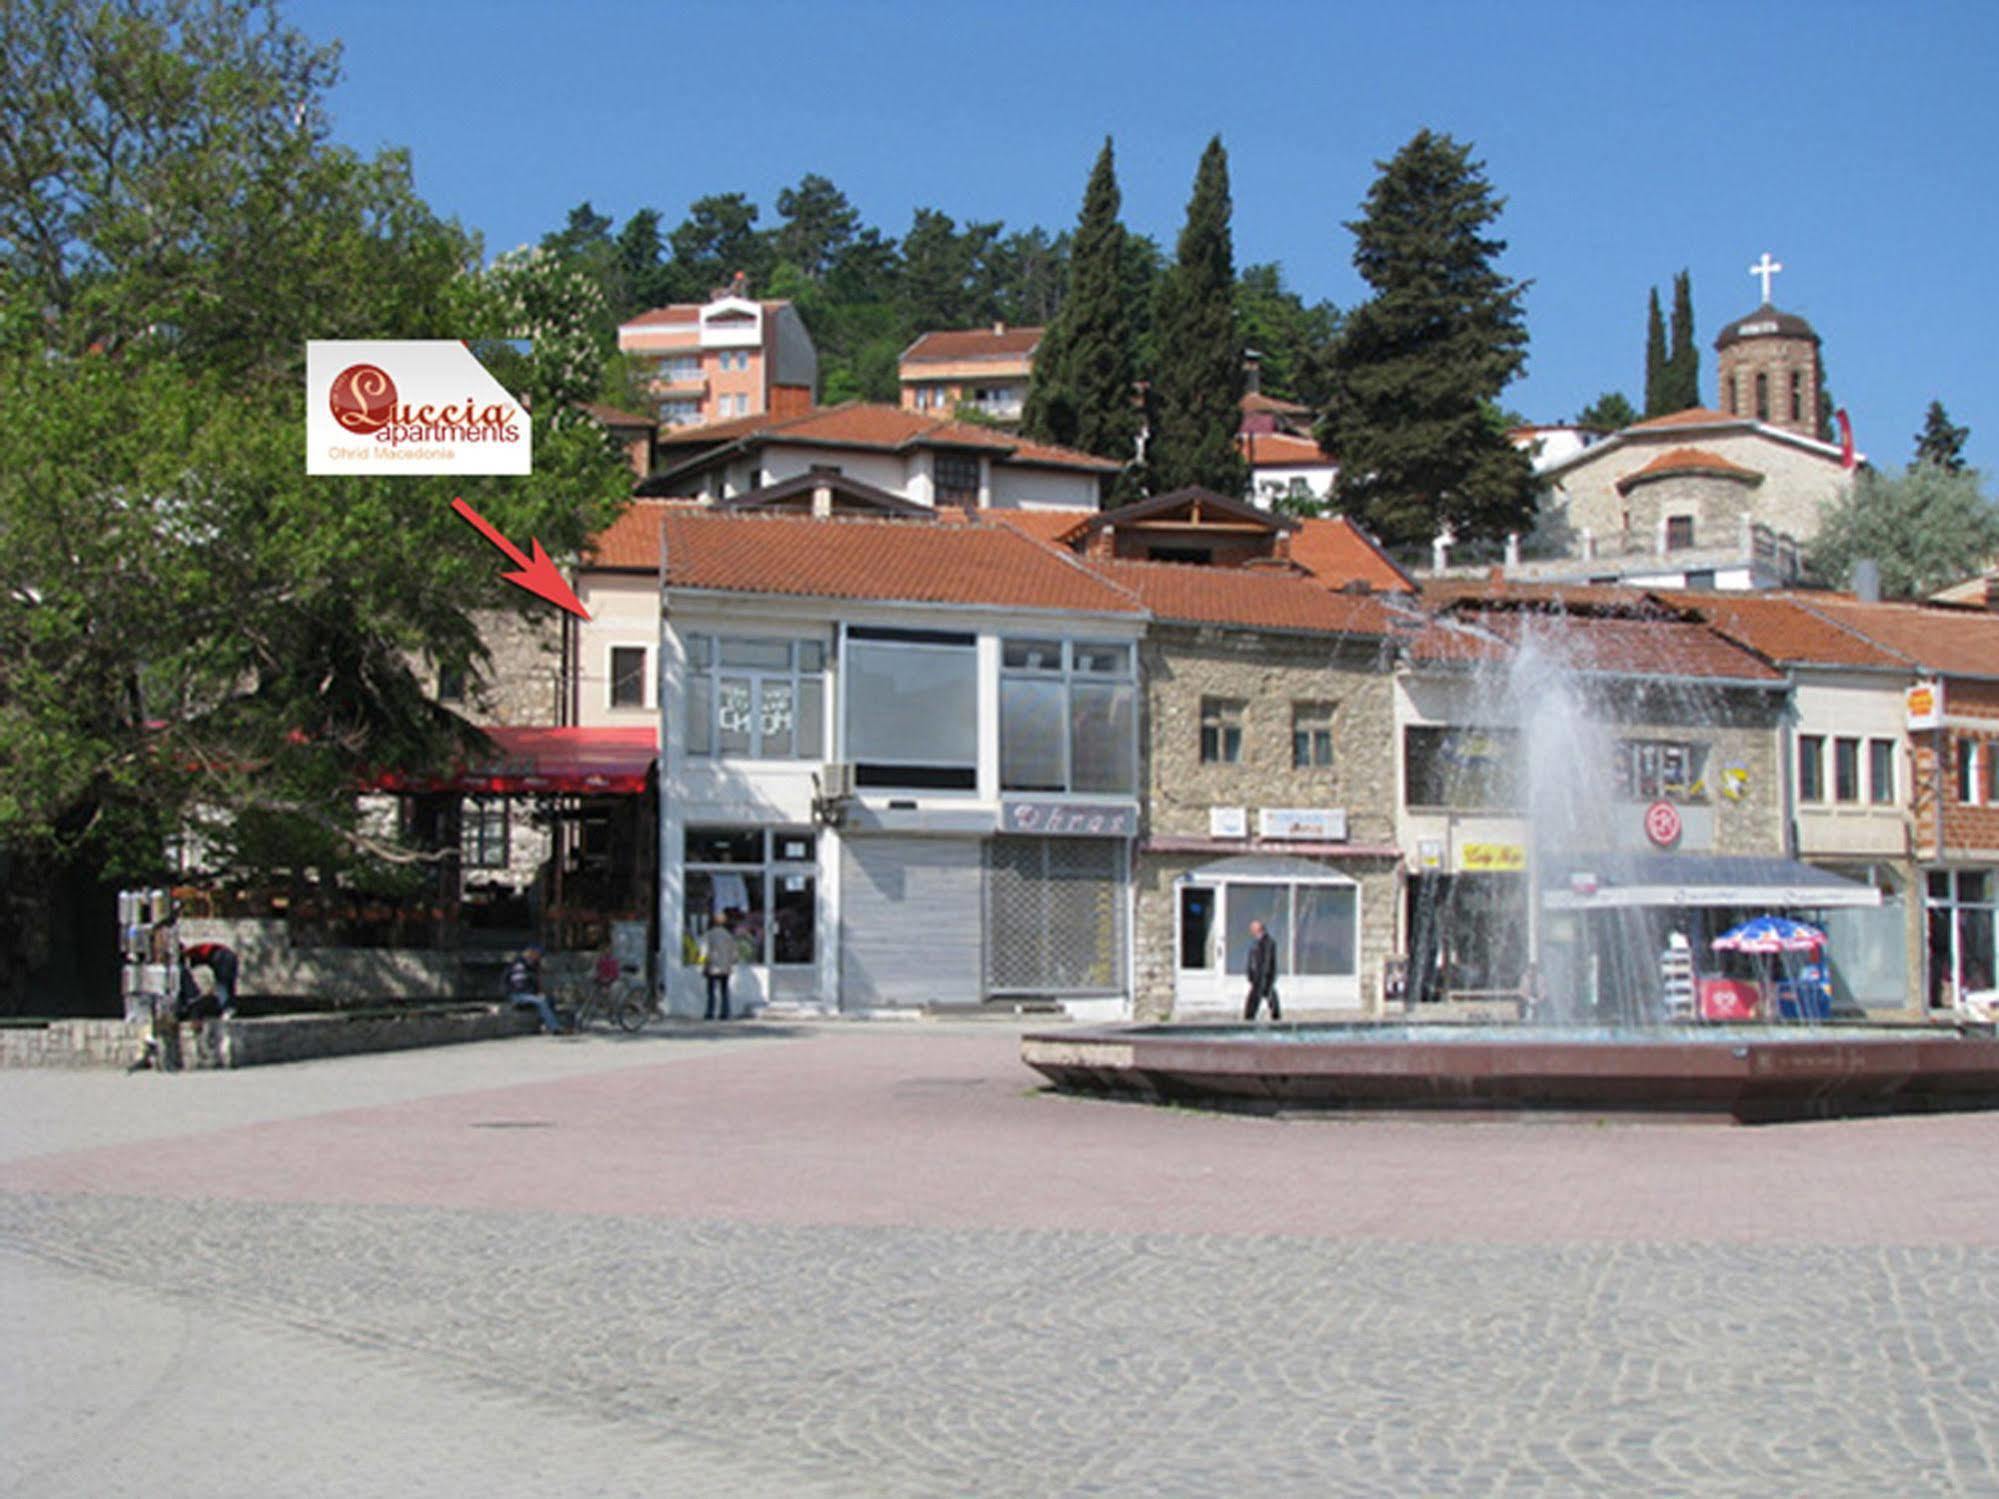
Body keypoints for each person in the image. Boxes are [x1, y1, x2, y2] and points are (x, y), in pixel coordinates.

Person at [504, 945, 565, 1035]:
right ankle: (555, 1028)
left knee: (550, 1000)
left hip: (528, 995)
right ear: (531, 954)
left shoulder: (533, 967)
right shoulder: (519, 965)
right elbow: (519, 986)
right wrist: (534, 994)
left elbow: (535, 984)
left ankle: (545, 1025)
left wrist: (539, 992)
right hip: (517, 995)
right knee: (540, 1001)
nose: (539, 958)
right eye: (538, 955)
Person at [702, 913, 739, 1020]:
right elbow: (734, 953)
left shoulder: (710, 934)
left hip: (712, 967)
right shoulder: (728, 935)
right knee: (724, 991)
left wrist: (703, 964)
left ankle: (710, 1012)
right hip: (725, 967)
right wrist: (731, 962)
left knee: (711, 991)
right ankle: (724, 1012)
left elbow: (704, 951)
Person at [1243, 919, 1281, 1022]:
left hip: (1263, 977)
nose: (1251, 931)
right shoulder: (1257, 942)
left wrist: (1263, 976)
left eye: (1252, 929)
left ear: (1258, 929)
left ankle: (1251, 1019)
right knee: (1267, 997)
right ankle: (1274, 1016)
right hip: (1258, 978)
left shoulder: (1268, 942)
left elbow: (1267, 961)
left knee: (1259, 998)